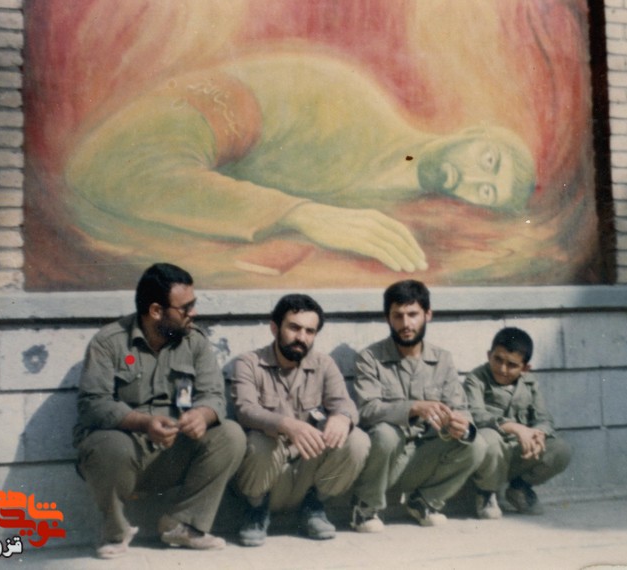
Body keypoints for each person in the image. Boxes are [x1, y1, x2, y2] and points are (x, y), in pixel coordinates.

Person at [65, 53, 535, 275]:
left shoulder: (398, 202)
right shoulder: (337, 100)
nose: (471, 178)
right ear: (474, 132)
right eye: (488, 160)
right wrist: (302, 214)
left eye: (485, 191)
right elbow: (109, 166)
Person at [73, 263, 246, 558]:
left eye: (193, 304)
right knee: (106, 445)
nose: (193, 313)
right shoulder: (109, 342)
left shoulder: (195, 342)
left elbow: (214, 395)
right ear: (155, 311)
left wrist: (201, 416)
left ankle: (183, 525)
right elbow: (93, 403)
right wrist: (144, 423)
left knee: (230, 434)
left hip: (175, 448)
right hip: (127, 450)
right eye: (185, 307)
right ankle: (115, 532)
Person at [231, 294, 370, 546]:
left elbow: (344, 403)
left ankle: (314, 507)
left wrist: (342, 417)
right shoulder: (249, 363)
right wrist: (286, 425)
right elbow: (245, 409)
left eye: (309, 331)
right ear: (275, 328)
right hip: (266, 471)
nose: (301, 337)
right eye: (294, 328)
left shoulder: (324, 364)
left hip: (306, 467)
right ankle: (256, 511)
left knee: (357, 439)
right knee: (260, 441)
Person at [350, 280, 486, 531]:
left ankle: (424, 502)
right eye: (398, 316)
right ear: (388, 318)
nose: (406, 324)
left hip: (424, 456)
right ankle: (366, 508)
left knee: (475, 442)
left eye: (413, 314)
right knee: (385, 434)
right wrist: (413, 408)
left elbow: (460, 407)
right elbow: (365, 410)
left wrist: (461, 425)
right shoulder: (370, 358)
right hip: (386, 461)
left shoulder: (442, 359)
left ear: (427, 315)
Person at [465, 327, 572, 518]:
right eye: (498, 359)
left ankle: (519, 488)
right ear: (489, 355)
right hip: (489, 454)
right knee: (489, 438)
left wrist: (538, 434)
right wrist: (515, 428)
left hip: (516, 452)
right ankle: (486, 493)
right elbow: (476, 414)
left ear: (525, 368)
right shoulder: (476, 379)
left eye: (512, 365)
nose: (502, 369)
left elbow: (544, 418)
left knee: (561, 449)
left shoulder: (530, 384)